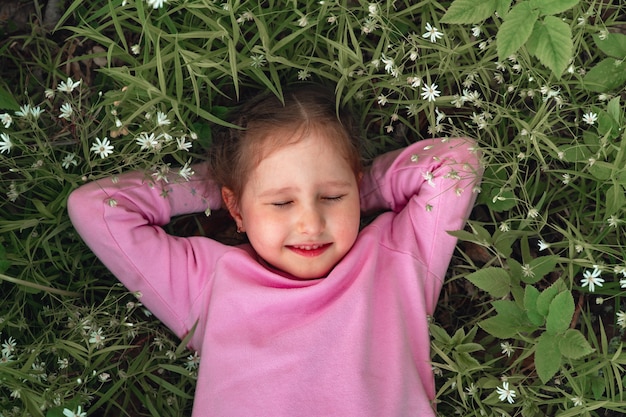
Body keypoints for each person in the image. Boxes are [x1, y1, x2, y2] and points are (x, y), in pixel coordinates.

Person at [68, 84, 482, 416]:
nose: (310, 224)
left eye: (333, 197)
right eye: (281, 203)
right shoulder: (209, 282)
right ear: (236, 208)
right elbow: (96, 207)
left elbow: (457, 161)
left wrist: (359, 191)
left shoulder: (396, 260)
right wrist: (229, 182)